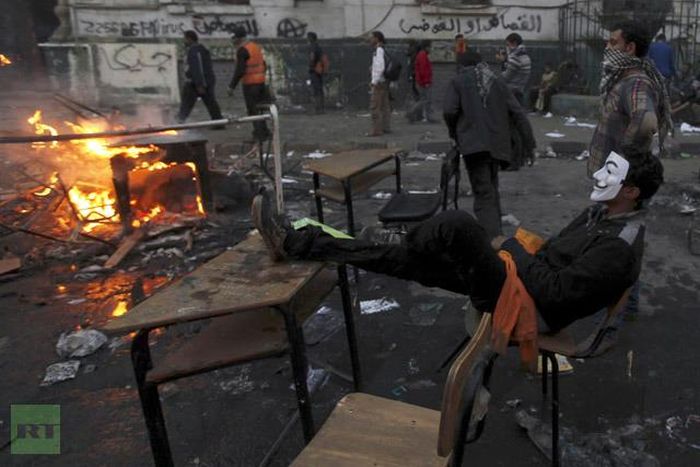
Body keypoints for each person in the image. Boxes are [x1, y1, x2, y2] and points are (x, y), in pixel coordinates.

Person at [251, 150, 664, 334]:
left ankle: (403, 237)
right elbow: (552, 253)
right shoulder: (601, 213)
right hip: (518, 282)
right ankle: (298, 242)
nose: (599, 176)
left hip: (528, 308)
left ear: (631, 192)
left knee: (457, 224)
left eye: (612, 174)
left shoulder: (619, 247)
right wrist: (515, 253)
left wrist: (512, 250)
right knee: (404, 261)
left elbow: (556, 296)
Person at [443, 51, 536, 239]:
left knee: (483, 192)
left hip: (473, 145)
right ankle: (496, 232)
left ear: (460, 66)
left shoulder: (458, 81)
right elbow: (517, 112)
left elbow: (449, 111)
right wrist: (530, 144)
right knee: (491, 187)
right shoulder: (496, 81)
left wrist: (454, 133)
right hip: (497, 144)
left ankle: (494, 240)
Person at [590, 20, 672, 177]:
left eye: (613, 43)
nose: (607, 48)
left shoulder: (636, 83)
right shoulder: (623, 79)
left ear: (630, 48)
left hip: (619, 180)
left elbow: (647, 123)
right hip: (611, 178)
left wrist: (621, 161)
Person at [228, 27, 271, 142]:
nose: (232, 40)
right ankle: (265, 132)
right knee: (260, 109)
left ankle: (259, 134)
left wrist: (232, 86)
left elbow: (240, 70)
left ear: (239, 38)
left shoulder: (242, 50)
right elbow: (264, 64)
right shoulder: (255, 47)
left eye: (234, 38)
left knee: (253, 110)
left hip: (251, 84)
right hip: (260, 83)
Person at [177, 30, 223, 124]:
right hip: (201, 81)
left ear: (190, 39)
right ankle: (218, 121)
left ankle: (180, 119)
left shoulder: (195, 51)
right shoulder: (199, 49)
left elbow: (197, 67)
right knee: (209, 101)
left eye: (185, 39)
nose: (184, 41)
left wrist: (199, 84)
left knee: (188, 101)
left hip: (198, 82)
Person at [367, 31, 391, 137]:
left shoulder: (379, 50)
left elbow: (380, 67)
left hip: (379, 82)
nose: (370, 40)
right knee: (385, 106)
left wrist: (374, 81)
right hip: (384, 81)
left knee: (375, 106)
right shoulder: (384, 49)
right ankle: (386, 127)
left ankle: (376, 130)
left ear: (377, 38)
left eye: (372, 37)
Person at [497, 33, 531, 105]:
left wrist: (503, 63)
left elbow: (506, 77)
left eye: (508, 45)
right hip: (520, 90)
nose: (507, 47)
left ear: (514, 43)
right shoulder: (525, 55)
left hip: (512, 93)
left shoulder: (515, 57)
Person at [414, 40, 434, 123]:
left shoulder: (422, 55)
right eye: (430, 47)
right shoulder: (422, 55)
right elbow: (423, 70)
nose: (431, 49)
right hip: (423, 82)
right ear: (426, 47)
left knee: (424, 99)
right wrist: (426, 82)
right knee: (425, 100)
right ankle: (414, 113)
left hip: (422, 81)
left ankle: (425, 116)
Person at [307, 31, 325, 114]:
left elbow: (312, 57)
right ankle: (321, 108)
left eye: (308, 37)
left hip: (314, 71)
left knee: (315, 89)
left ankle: (317, 108)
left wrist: (311, 65)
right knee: (319, 89)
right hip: (319, 70)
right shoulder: (318, 47)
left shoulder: (313, 47)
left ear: (311, 38)